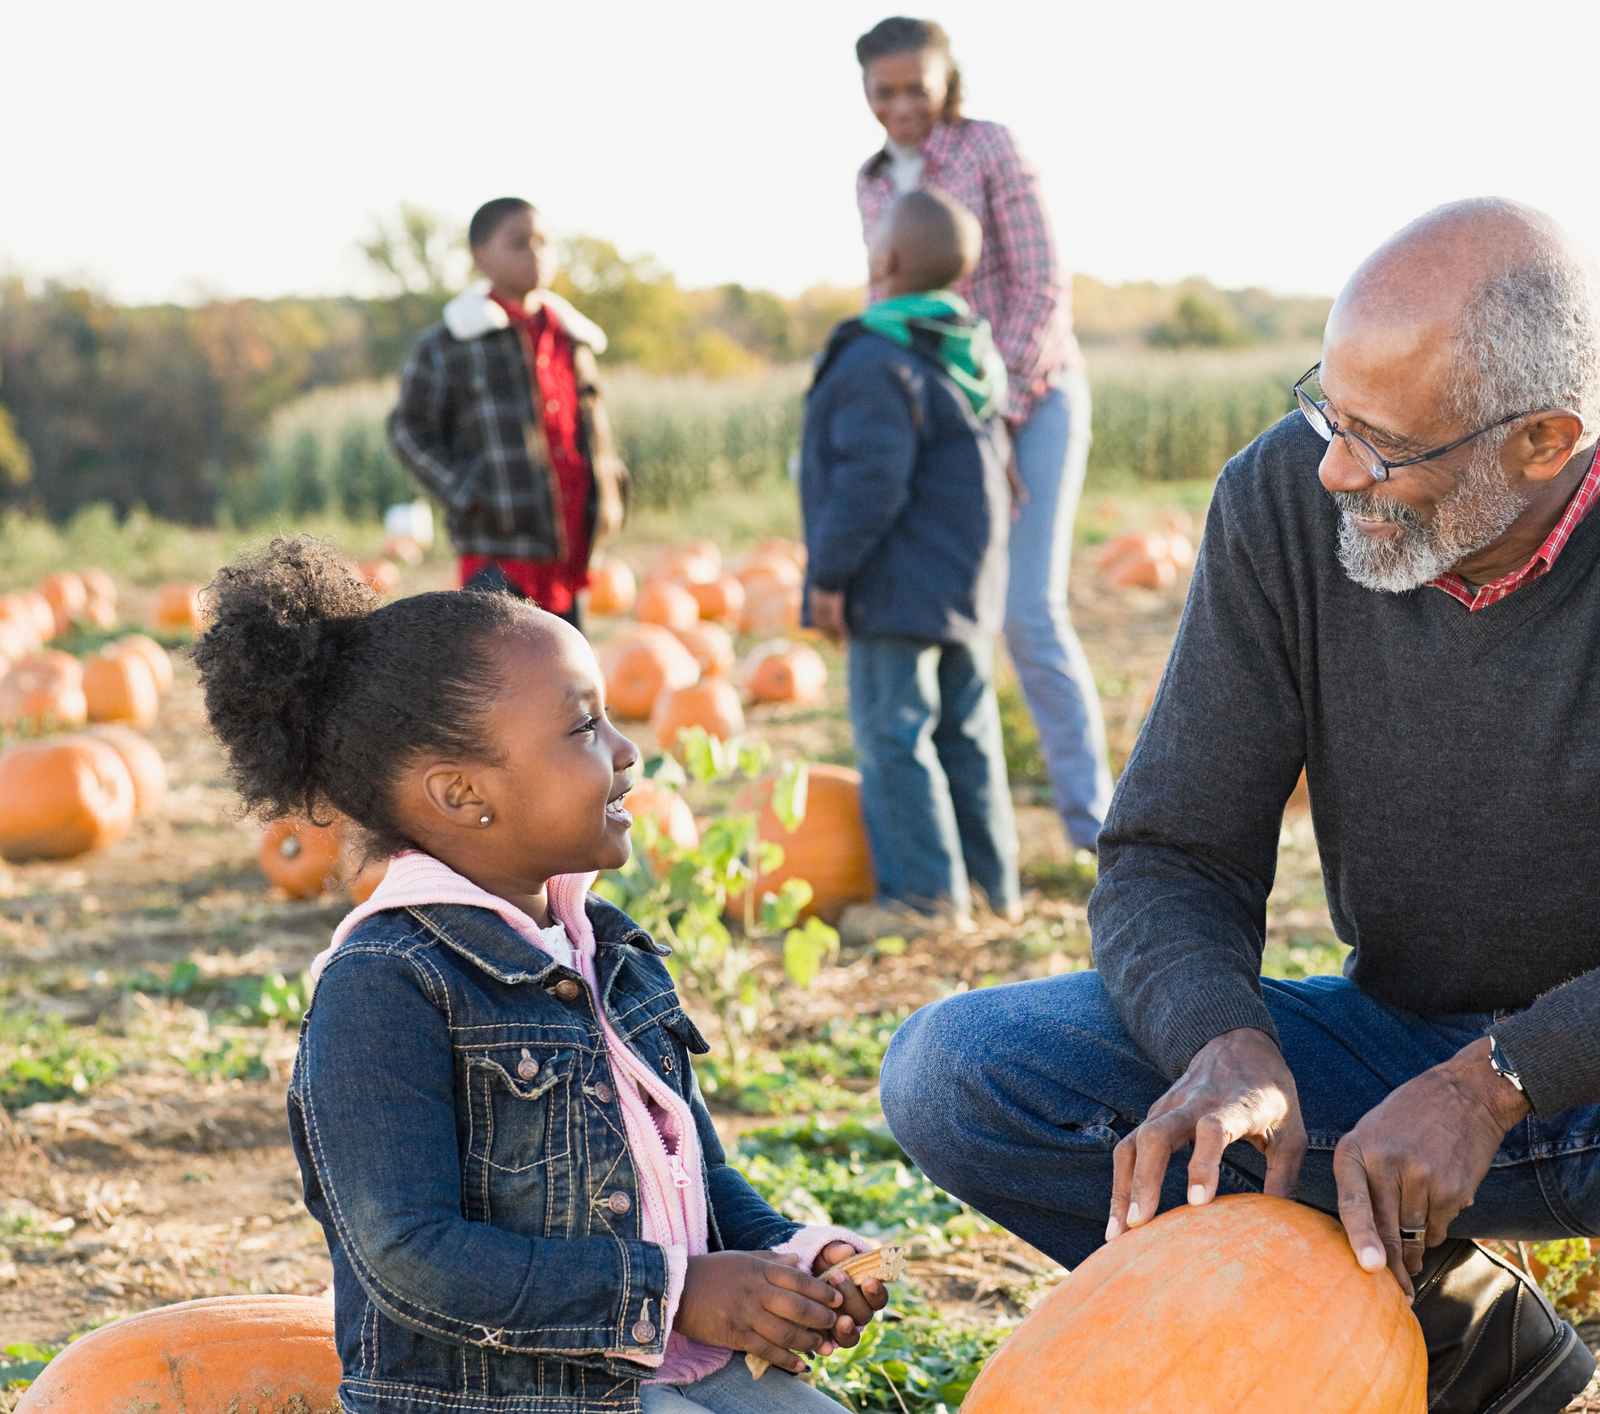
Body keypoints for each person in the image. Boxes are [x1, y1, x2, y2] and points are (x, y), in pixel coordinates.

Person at [880, 199, 1600, 1414]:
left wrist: (1500, 1078)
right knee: (962, 1069)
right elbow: (1171, 851)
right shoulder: (1282, 506)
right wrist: (1223, 1043)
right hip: (1390, 1065)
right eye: (1326, 411)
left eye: (1382, 444)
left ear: (1547, 440)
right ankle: (1463, 1339)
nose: (1335, 467)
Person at [192, 537, 889, 1414]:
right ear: (461, 795)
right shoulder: (386, 984)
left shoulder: (600, 948)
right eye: (584, 727)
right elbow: (410, 1253)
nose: (628, 749)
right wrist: (676, 1293)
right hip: (502, 1397)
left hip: (653, 1362)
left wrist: (790, 1257)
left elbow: (693, 1175)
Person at [853, 17, 1110, 851]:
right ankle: (977, 834)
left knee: (1028, 612)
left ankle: (1096, 828)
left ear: (945, 81)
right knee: (956, 615)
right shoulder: (869, 182)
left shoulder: (990, 149)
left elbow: (1040, 287)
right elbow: (886, 302)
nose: (900, 106)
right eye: (882, 91)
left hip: (1031, 396)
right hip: (944, 420)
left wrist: (992, 412)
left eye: (914, 88)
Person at [802, 189, 1018, 939]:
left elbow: (869, 479)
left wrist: (829, 576)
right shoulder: (968, 353)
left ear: (884, 259)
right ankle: (992, 889)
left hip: (894, 582)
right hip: (965, 580)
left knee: (893, 735)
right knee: (964, 731)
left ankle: (924, 899)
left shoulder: (874, 355)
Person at [389, 197, 627, 630]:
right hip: (498, 554)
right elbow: (408, 429)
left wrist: (614, 487)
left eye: (543, 242)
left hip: (571, 548)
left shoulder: (573, 339)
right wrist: (468, 490)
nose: (535, 252)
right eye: (518, 243)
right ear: (481, 256)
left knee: (565, 683)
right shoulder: (449, 344)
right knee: (500, 684)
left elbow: (588, 432)